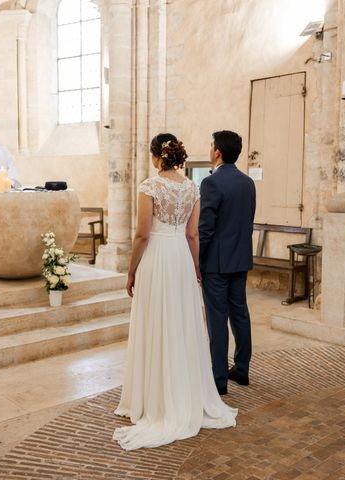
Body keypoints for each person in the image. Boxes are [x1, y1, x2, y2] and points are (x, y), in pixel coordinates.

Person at [113, 133, 237, 451]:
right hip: (180, 258)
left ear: (156, 157)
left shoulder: (150, 186)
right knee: (181, 324)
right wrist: (195, 266)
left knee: (155, 322)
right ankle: (184, 393)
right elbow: (192, 234)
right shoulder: (191, 187)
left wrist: (130, 270)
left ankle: (151, 399)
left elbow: (142, 234)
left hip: (156, 257)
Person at [199, 130, 256, 396]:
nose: (210, 149)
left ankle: (219, 378)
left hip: (216, 264)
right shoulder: (248, 183)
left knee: (217, 319)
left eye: (211, 146)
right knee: (240, 314)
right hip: (240, 259)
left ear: (217, 152)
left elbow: (206, 228)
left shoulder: (211, 183)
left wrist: (198, 260)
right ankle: (242, 369)